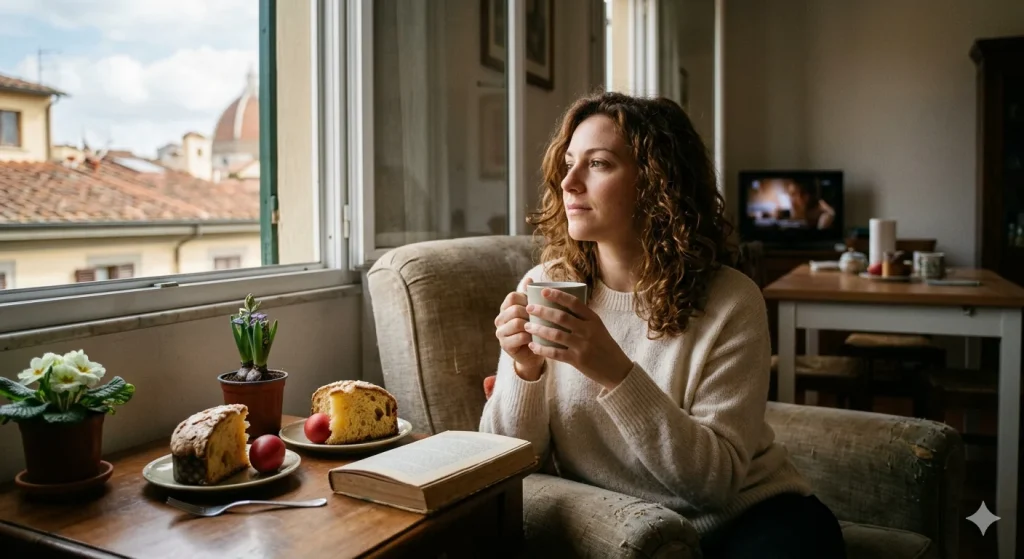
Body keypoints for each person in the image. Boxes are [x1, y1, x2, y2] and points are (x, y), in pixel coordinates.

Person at [480, 91, 846, 558]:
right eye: (569, 162)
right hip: (627, 528)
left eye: (598, 164)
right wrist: (524, 371)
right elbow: (508, 463)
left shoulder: (731, 301)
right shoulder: (545, 285)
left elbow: (714, 484)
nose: (568, 182)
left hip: (751, 516)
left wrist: (613, 369)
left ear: (656, 183)